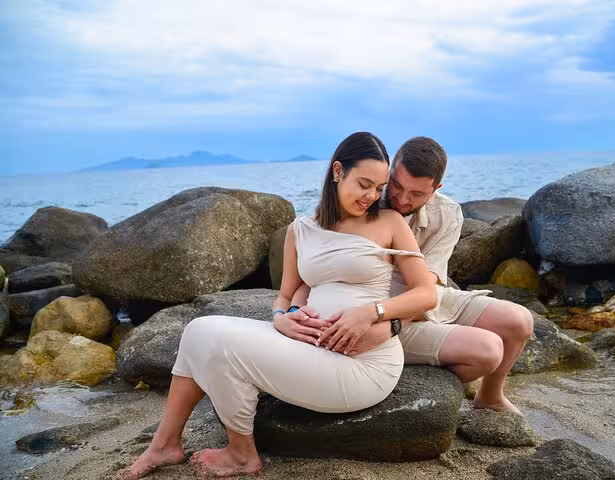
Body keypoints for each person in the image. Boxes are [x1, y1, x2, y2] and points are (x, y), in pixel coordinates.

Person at [118, 132, 437, 479]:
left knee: (214, 339)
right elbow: (286, 295)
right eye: (364, 184)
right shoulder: (300, 229)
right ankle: (165, 444)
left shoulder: (388, 223)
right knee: (196, 330)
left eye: (378, 187)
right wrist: (281, 318)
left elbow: (426, 294)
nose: (371, 196)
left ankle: (242, 454)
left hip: (363, 363)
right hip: (309, 346)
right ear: (337, 172)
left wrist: (372, 312)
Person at [293, 137, 533, 415]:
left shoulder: (447, 214)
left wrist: (389, 325)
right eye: (396, 185)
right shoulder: (362, 201)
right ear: (391, 169)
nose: (402, 199)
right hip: (377, 304)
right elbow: (310, 273)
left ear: (436, 189)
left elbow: (427, 287)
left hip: (417, 301)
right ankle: (410, 371)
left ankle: (490, 395)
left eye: (417, 194)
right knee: (486, 352)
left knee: (520, 322)